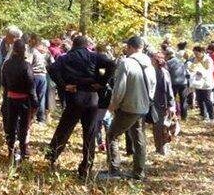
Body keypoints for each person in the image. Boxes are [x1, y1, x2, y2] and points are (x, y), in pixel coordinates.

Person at [45, 34, 114, 179]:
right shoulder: (95, 56)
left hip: (74, 95)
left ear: (74, 45)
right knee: (90, 133)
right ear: (86, 45)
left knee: (64, 129)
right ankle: (86, 167)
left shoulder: (65, 58)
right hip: (92, 97)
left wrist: (63, 85)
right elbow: (112, 64)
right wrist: (101, 82)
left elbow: (51, 68)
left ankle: (51, 157)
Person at [96, 36, 156, 181]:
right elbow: (153, 85)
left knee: (112, 135)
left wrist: (113, 105)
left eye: (127, 47)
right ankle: (139, 172)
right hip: (143, 106)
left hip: (128, 107)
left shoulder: (126, 63)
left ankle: (114, 170)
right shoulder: (149, 63)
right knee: (138, 138)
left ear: (130, 47)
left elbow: (119, 88)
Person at [0, 39, 38, 162]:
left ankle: (10, 152)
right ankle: (22, 152)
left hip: (10, 99)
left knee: (11, 126)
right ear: (23, 51)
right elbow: (31, 86)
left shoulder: (6, 64)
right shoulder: (26, 66)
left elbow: (3, 83)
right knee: (23, 127)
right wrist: (35, 102)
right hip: (24, 101)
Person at [148, 52, 176, 156]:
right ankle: (159, 148)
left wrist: (171, 104)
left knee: (162, 126)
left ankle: (162, 148)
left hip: (162, 104)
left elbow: (168, 89)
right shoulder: (153, 71)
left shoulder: (163, 72)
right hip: (154, 103)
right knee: (158, 126)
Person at [188, 45, 214, 122]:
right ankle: (203, 115)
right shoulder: (195, 59)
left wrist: (201, 72)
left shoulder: (208, 60)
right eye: (194, 53)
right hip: (198, 82)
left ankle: (212, 117)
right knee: (199, 99)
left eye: (197, 53)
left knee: (207, 99)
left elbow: (209, 70)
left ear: (202, 52)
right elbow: (193, 67)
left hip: (206, 82)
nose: (196, 55)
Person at [28, 34, 49, 123]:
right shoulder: (42, 52)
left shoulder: (32, 51)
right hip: (43, 76)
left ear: (32, 40)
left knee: (32, 97)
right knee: (41, 97)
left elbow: (28, 64)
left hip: (35, 75)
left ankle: (30, 117)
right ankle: (41, 119)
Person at [165, 47, 189, 121]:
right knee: (183, 100)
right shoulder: (180, 61)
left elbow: (166, 73)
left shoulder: (168, 63)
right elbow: (186, 71)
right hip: (183, 82)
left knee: (172, 99)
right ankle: (184, 116)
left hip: (174, 83)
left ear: (168, 55)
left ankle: (173, 116)